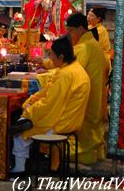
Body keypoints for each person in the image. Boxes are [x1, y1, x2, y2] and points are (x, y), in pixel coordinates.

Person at [9, 35, 91, 175]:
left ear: (61, 56)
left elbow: (49, 104)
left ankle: (19, 169)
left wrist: (29, 112)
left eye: (52, 55)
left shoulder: (66, 74)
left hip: (61, 122)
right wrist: (30, 102)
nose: (50, 59)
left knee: (20, 133)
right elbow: (47, 92)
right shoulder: (72, 68)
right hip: (67, 118)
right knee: (24, 121)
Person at [41, 13, 108, 165]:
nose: (69, 35)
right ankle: (93, 153)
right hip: (94, 96)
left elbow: (68, 67)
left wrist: (43, 72)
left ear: (79, 29)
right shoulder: (92, 43)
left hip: (86, 98)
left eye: (70, 31)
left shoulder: (85, 46)